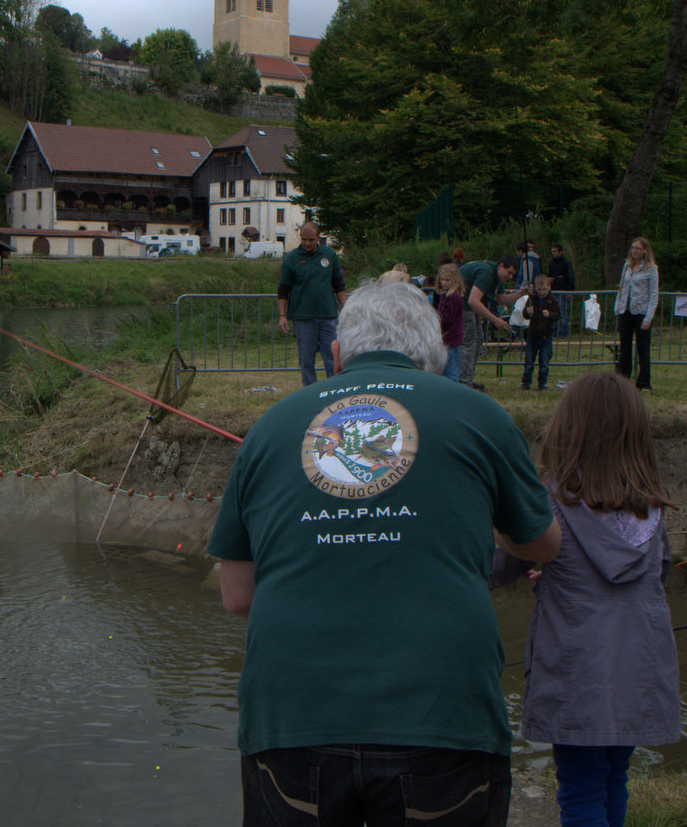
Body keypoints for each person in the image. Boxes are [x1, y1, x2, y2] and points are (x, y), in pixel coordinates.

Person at [210, 280, 561, 826]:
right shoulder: (481, 414)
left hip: (292, 717)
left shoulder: (269, 426)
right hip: (442, 716)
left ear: (336, 354)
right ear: (436, 354)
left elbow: (237, 596)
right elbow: (543, 542)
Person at [491, 373, 679, 827]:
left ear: (567, 428)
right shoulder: (650, 506)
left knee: (580, 791)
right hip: (638, 666)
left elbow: (498, 568)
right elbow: (658, 570)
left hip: (576, 672)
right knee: (615, 778)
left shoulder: (551, 502)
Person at [277, 222, 347, 386]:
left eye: (311, 240)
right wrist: (282, 315)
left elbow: (338, 284)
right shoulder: (291, 259)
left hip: (328, 316)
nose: (307, 243)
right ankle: (310, 391)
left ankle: (335, 390)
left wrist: (345, 307)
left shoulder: (329, 255)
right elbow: (283, 290)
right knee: (306, 360)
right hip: (303, 318)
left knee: (332, 358)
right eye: (304, 239)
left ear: (318, 238)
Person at [460, 256, 523, 389]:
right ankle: (463, 382)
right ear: (501, 266)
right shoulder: (487, 273)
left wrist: (521, 293)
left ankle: (467, 379)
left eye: (512, 274)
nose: (510, 277)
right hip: (462, 305)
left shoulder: (496, 277)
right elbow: (473, 300)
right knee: (469, 342)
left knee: (478, 339)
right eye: (509, 272)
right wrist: (495, 320)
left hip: (469, 307)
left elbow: (502, 299)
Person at [613, 238, 658, 391]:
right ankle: (622, 379)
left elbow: (653, 294)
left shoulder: (651, 269)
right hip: (626, 310)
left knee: (643, 348)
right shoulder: (627, 265)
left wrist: (648, 318)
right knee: (624, 346)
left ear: (645, 250)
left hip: (641, 312)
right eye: (633, 248)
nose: (634, 251)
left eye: (638, 248)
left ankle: (644, 382)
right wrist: (618, 307)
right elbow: (622, 287)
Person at [522, 274, 560, 391]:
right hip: (532, 336)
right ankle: (526, 382)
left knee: (544, 362)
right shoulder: (532, 299)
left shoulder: (552, 300)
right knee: (529, 361)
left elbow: (557, 315)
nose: (542, 292)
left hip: (546, 336)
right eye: (539, 290)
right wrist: (527, 311)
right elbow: (525, 314)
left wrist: (550, 314)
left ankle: (542, 383)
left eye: (544, 289)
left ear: (549, 287)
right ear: (535, 288)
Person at [436, 262, 465, 382]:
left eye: (447, 280)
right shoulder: (444, 295)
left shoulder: (454, 297)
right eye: (442, 279)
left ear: (455, 280)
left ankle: (453, 386)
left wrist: (436, 318)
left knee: (451, 369)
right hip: (444, 337)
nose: (444, 282)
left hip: (452, 338)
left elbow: (449, 318)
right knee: (443, 368)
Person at [549, 243, 577, 338]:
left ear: (560, 252)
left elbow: (570, 277)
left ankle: (564, 332)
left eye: (555, 251)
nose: (553, 253)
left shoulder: (565, 263)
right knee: (554, 311)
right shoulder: (552, 263)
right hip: (554, 290)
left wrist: (569, 291)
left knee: (562, 311)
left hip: (562, 291)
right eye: (552, 251)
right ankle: (555, 331)